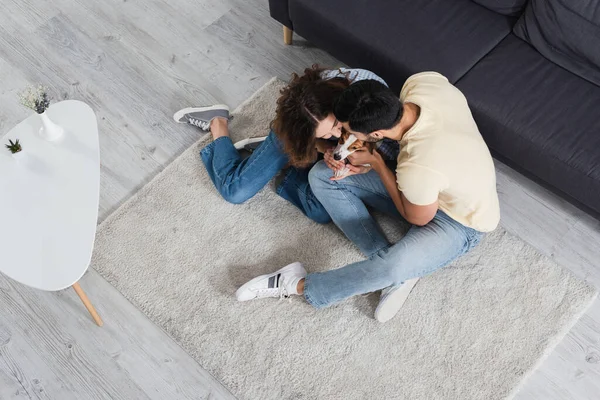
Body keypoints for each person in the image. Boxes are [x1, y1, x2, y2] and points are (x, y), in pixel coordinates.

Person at [235, 72, 501, 323]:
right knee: (321, 176)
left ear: (375, 135)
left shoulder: (418, 166)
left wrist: (377, 164)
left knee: (392, 268)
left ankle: (296, 283)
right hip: (437, 183)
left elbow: (418, 217)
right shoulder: (425, 85)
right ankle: (393, 269)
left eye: (350, 132)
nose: (344, 137)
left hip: (462, 221)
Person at [172, 66, 398, 224]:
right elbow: (322, 137)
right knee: (235, 191)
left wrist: (361, 164)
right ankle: (218, 122)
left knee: (320, 211)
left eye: (338, 125)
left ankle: (282, 158)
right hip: (296, 134)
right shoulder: (302, 118)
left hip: (315, 134)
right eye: (329, 132)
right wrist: (323, 148)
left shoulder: (367, 113)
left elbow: (387, 157)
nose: (336, 134)